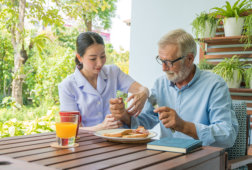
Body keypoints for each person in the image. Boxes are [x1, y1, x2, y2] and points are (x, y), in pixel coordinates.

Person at [109, 29, 238, 148]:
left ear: (189, 59)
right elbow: (148, 120)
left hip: (203, 160)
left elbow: (227, 135)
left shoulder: (215, 85)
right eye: (161, 60)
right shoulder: (160, 84)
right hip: (168, 158)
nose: (163, 68)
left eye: (169, 62)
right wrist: (125, 116)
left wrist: (183, 126)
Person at [58, 32, 149, 131]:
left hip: (115, 139)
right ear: (80, 58)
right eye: (93, 59)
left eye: (102, 56)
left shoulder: (113, 72)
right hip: (87, 143)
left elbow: (140, 89)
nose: (100, 63)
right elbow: (70, 129)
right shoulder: (67, 86)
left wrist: (144, 92)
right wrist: (101, 127)